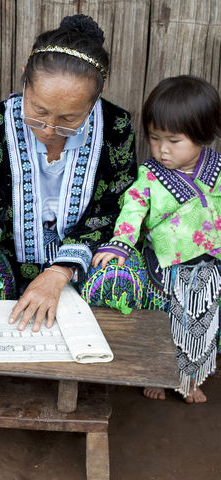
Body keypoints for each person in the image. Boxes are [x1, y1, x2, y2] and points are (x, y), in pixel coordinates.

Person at [0, 14, 138, 350]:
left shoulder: (116, 127)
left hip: (81, 262)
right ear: (25, 77)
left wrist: (59, 272)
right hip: (8, 259)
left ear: (97, 97)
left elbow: (113, 207)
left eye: (68, 119)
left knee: (120, 277)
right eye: (38, 110)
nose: (49, 130)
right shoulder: (0, 125)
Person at [93, 75, 221, 403]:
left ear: (204, 134)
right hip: (166, 268)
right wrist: (121, 243)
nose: (162, 149)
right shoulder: (149, 176)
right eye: (154, 138)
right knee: (166, 322)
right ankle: (158, 373)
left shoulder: (218, 170)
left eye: (174, 141)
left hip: (210, 267)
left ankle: (191, 378)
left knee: (203, 325)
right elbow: (132, 210)